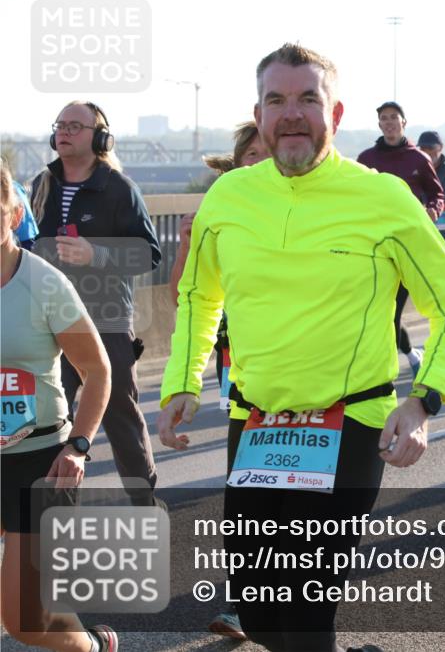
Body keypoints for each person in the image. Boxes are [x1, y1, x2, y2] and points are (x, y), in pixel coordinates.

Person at [157, 43, 445, 652]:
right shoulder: (228, 198)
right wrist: (182, 381)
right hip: (256, 425)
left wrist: (422, 402)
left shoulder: (383, 199)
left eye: (308, 98)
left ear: (334, 114)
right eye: (277, 100)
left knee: (304, 618)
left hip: (349, 423)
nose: (292, 113)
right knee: (259, 615)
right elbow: (200, 298)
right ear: (258, 114)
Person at [1, 161, 116, 652]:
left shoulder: (43, 284)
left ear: (12, 213)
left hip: (40, 463)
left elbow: (97, 372)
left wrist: (79, 447)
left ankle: (91, 647)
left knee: (25, 622)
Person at [166, 121, 270, 643]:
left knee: (297, 490)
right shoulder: (221, 208)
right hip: (240, 372)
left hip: (310, 378)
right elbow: (181, 296)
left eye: (266, 153)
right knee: (247, 486)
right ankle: (241, 601)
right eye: (249, 155)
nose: (258, 162)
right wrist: (187, 242)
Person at [31, 101, 161, 506]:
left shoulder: (120, 188)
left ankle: (144, 501)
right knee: (48, 418)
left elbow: (149, 254)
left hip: (104, 319)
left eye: (75, 125)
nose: (65, 132)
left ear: (100, 137)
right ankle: (52, 510)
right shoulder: (41, 184)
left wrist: (96, 254)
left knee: (118, 414)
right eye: (60, 125)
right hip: (48, 320)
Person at [358, 101, 445, 377]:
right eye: (384, 118)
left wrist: (432, 210)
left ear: (403, 123)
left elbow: (437, 195)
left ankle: (385, 370)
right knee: (378, 310)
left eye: (394, 118)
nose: (389, 122)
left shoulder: (418, 158)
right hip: (374, 244)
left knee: (391, 312)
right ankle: (408, 353)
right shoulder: (366, 159)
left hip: (408, 245)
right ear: (380, 125)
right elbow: (354, 196)